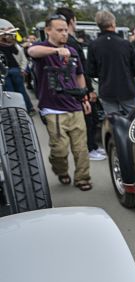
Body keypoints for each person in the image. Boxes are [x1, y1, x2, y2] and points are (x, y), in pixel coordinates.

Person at [28, 14, 92, 191]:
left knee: (81, 148)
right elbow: (32, 52)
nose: (64, 33)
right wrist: (56, 51)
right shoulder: (41, 48)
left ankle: (82, 178)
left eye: (66, 30)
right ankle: (61, 170)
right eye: (59, 30)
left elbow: (79, 75)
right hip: (53, 109)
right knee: (60, 150)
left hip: (74, 106)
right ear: (48, 31)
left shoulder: (72, 51)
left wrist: (84, 98)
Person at [56, 7, 105, 161]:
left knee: (91, 118)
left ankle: (93, 147)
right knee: (88, 119)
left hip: (77, 87)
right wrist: (88, 91)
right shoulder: (71, 44)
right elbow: (80, 71)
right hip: (79, 89)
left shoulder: (69, 43)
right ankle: (90, 149)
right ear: (72, 21)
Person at [87, 11, 135, 116]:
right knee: (134, 119)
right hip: (126, 88)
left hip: (107, 90)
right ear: (113, 23)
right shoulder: (125, 44)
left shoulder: (93, 46)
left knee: (113, 121)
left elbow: (91, 71)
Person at [0, 19, 34, 114]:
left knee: (19, 91)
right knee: (11, 92)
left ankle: (27, 108)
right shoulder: (12, 44)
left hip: (14, 70)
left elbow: (22, 57)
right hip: (5, 72)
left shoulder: (14, 45)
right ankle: (19, 110)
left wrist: (23, 69)